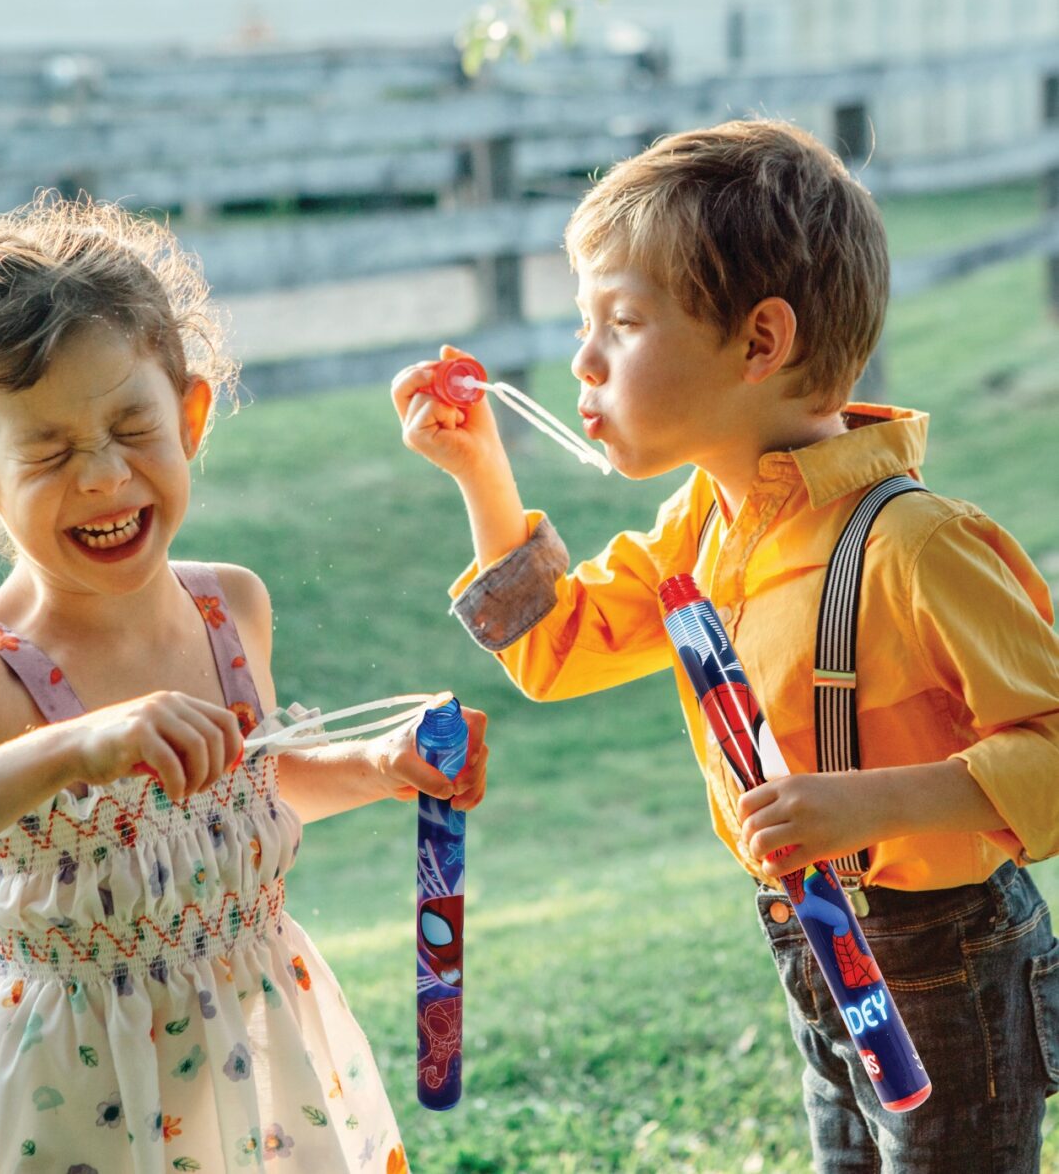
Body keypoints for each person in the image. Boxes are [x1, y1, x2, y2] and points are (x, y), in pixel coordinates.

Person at [391, 119, 1059, 1172]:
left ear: (759, 344)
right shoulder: (704, 529)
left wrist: (871, 802)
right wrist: (481, 471)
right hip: (812, 946)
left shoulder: (916, 545)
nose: (582, 358)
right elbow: (556, 646)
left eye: (622, 321)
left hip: (945, 957)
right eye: (583, 321)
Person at [0, 193, 487, 1174]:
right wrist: (65, 749)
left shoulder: (229, 613)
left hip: (247, 1071)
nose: (105, 475)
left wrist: (379, 767)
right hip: (58, 1102)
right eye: (49, 450)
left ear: (191, 414)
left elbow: (229, 800)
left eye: (132, 426)